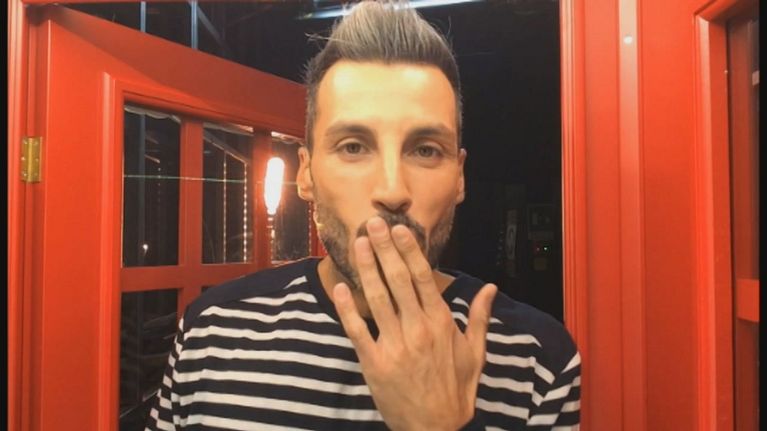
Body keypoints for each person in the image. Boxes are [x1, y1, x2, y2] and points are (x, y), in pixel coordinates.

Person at [146, 1, 580, 429]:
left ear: (459, 178)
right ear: (306, 174)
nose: (392, 191)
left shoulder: (537, 362)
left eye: (425, 150)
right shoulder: (212, 332)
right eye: (353, 147)